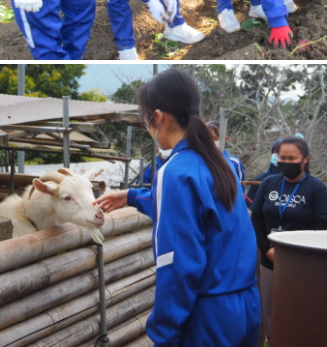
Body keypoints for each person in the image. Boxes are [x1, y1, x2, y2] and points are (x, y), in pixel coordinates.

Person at [93, 69, 260, 346]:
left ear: (158, 117)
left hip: (207, 314)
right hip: (245, 303)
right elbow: (197, 212)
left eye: (144, 118)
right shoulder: (222, 162)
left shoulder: (174, 171)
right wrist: (133, 197)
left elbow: (178, 262)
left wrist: (164, 332)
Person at [250, 135, 327, 343]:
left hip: (301, 264)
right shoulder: (268, 183)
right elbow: (257, 219)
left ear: (305, 159)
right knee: (269, 311)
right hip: (270, 261)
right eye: (281, 157)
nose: (285, 162)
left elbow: (320, 226)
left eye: (291, 158)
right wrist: (267, 249)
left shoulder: (317, 188)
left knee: (298, 312)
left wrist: (292, 253)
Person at [246, 138, 281, 202]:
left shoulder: (295, 180)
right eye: (276, 152)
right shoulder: (260, 179)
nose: (279, 156)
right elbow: (249, 205)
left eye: (281, 153)